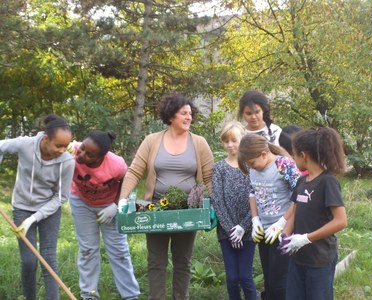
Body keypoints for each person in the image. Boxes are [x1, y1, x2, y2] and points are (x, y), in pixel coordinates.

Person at [118, 94, 214, 300]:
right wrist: (123, 200)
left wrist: (213, 205)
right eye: (183, 113)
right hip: (154, 209)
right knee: (156, 262)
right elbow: (134, 171)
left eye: (190, 113)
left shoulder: (199, 143)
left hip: (188, 211)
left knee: (183, 261)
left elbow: (209, 177)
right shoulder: (152, 140)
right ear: (171, 116)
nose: (189, 117)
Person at [0, 114, 75, 300]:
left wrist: (34, 218)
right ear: (46, 138)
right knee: (28, 261)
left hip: (49, 209)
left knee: (48, 259)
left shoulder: (67, 161)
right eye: (59, 145)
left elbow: (61, 197)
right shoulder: (25, 144)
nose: (62, 150)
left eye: (66, 146)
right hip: (21, 207)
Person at [68, 130, 140, 300]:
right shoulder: (71, 151)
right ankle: (89, 295)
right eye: (83, 148)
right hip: (81, 203)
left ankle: (130, 296)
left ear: (101, 157)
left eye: (89, 154)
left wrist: (116, 206)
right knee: (87, 250)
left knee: (119, 251)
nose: (81, 154)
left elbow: (127, 183)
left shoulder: (117, 165)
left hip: (109, 205)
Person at [279, 127, 348, 300]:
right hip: (298, 258)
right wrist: (285, 234)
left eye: (294, 154)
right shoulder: (302, 181)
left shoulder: (328, 182)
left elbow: (341, 221)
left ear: (304, 155)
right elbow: (295, 211)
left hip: (319, 259)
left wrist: (306, 238)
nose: (292, 158)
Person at [237, 134, 301, 300]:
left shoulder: (283, 165)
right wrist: (255, 220)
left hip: (283, 232)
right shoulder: (253, 168)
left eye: (252, 163)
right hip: (264, 231)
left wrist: (282, 223)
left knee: (280, 282)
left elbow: (299, 196)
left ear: (264, 155)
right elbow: (252, 193)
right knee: (269, 281)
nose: (251, 167)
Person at [211, 121, 257, 300]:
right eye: (226, 141)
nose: (230, 145)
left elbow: (257, 198)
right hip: (227, 231)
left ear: (243, 140)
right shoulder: (219, 168)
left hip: (248, 230)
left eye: (234, 140)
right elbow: (218, 200)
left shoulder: (252, 166)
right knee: (232, 278)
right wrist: (231, 229)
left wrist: (243, 226)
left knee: (245, 276)